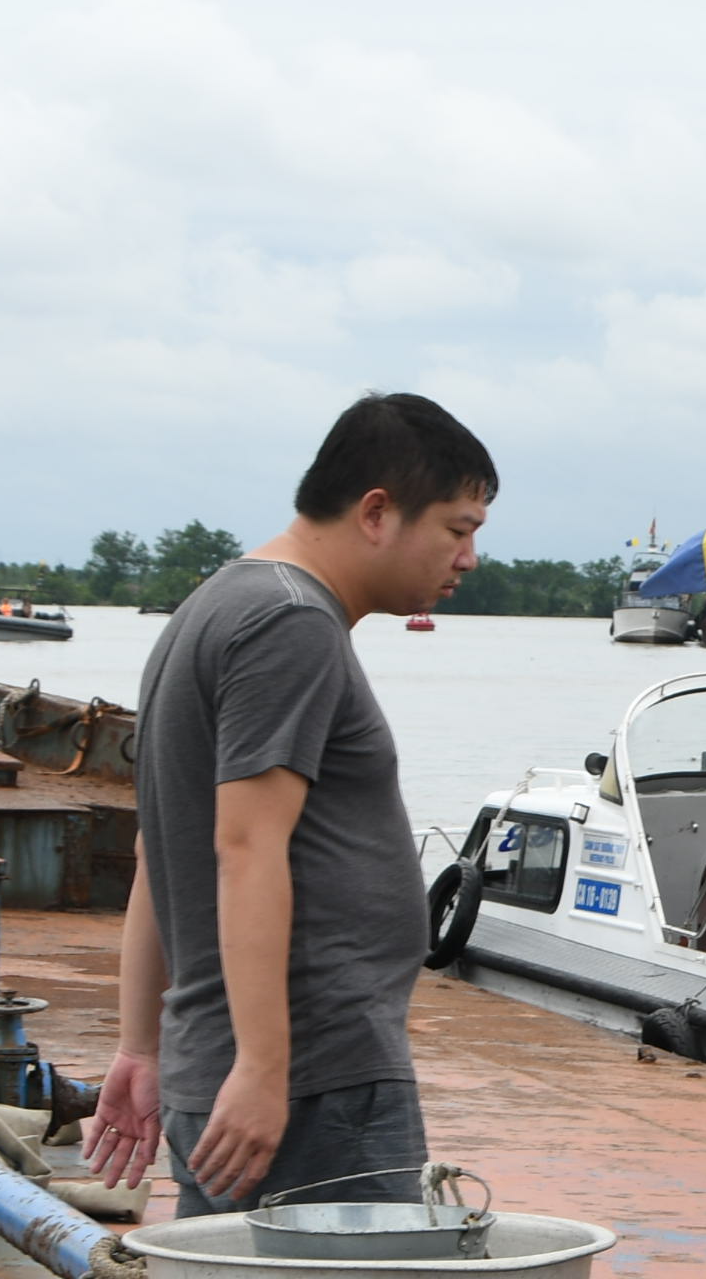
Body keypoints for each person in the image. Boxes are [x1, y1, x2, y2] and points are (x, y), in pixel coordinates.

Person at [89, 393, 491, 1216]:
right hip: (314, 1085)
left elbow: (156, 855)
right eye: (458, 528)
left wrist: (140, 1047)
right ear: (377, 512)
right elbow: (245, 848)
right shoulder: (290, 623)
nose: (471, 556)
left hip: (241, 1067)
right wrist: (266, 1072)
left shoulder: (218, 605)